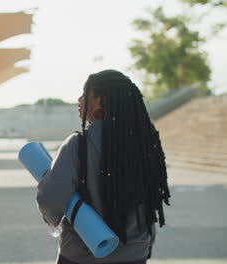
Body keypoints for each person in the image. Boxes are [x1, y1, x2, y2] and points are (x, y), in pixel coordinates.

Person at [37, 69, 171, 264]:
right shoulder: (146, 145)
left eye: (85, 94)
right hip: (134, 255)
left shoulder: (78, 145)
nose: (79, 99)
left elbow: (50, 198)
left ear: (102, 101)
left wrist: (52, 219)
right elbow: (152, 201)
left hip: (80, 257)